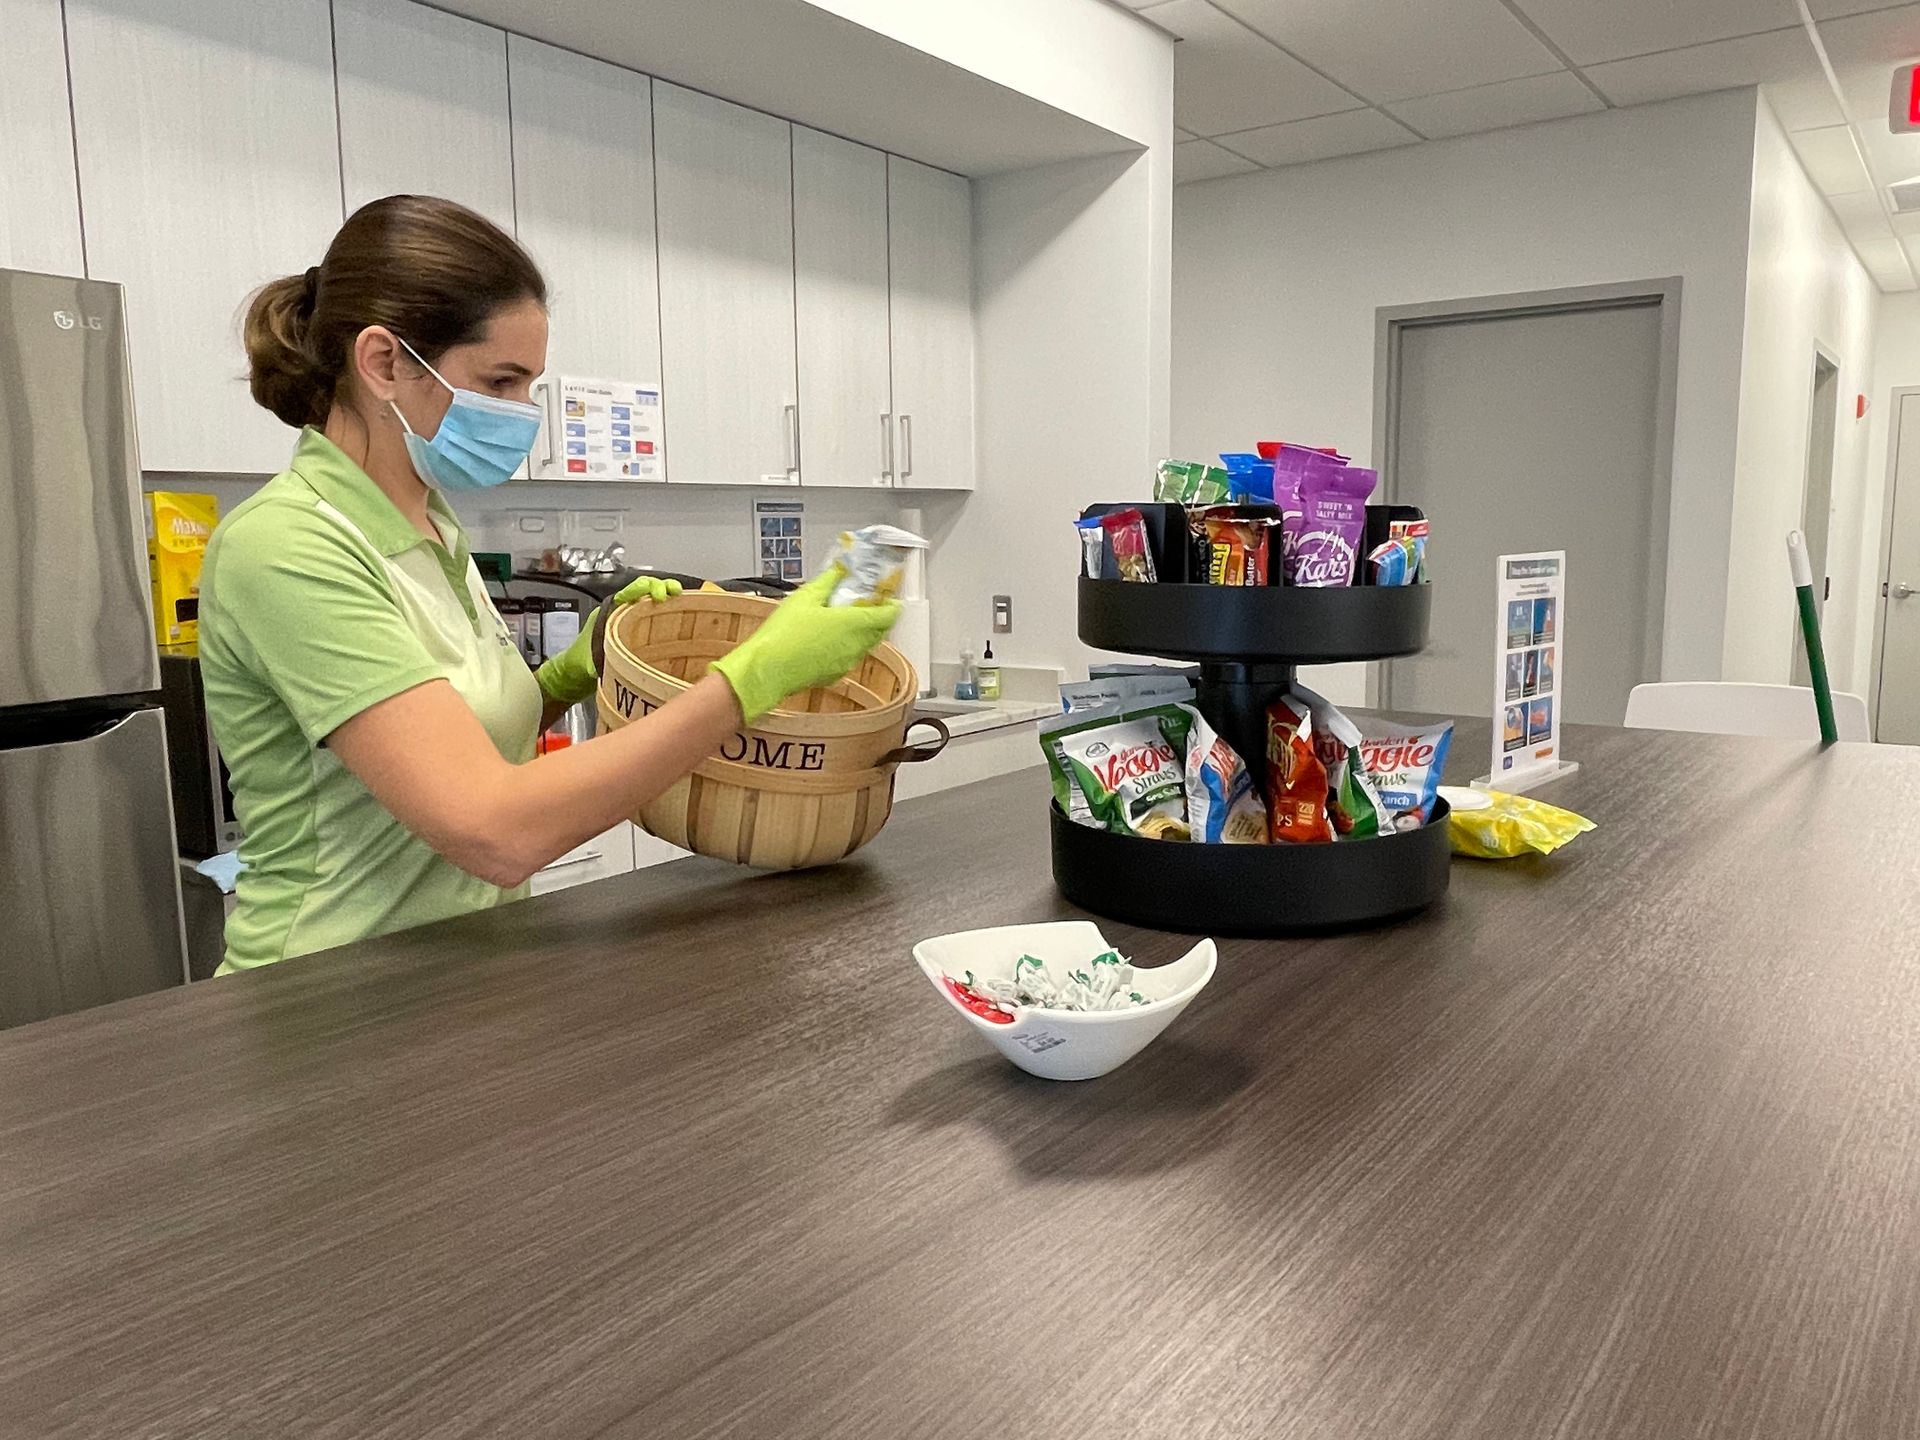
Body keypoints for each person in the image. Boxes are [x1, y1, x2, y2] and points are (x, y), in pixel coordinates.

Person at [200, 194, 896, 973]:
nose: (522, 414)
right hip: (328, 993)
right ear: (384, 362)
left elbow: (458, 739)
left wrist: (573, 671)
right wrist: (759, 674)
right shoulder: (289, 546)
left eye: (529, 383)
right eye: (500, 381)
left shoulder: (433, 527)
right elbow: (494, 829)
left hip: (461, 972)